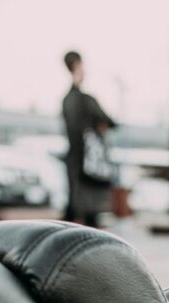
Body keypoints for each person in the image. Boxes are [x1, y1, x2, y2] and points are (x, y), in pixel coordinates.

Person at [62, 50, 116, 227]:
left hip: (74, 160)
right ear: (77, 66)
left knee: (72, 212)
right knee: (92, 214)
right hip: (90, 163)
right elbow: (110, 121)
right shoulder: (86, 100)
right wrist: (101, 126)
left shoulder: (66, 100)